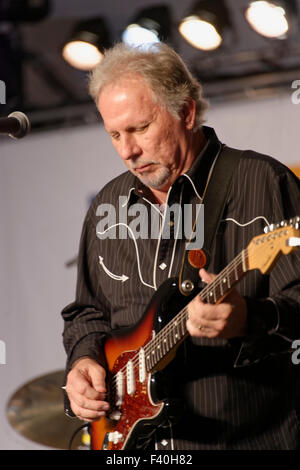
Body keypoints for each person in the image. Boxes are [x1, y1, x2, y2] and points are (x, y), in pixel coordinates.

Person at [61, 42, 300, 450]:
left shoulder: (263, 182)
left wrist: (252, 318)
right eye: (114, 134)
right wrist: (83, 361)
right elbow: (87, 313)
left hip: (249, 438)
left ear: (186, 112)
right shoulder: (108, 205)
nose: (127, 151)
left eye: (140, 128)